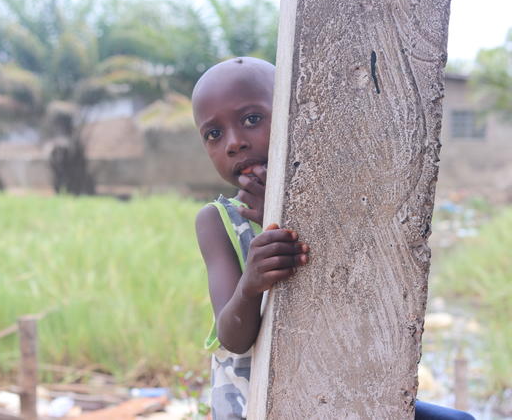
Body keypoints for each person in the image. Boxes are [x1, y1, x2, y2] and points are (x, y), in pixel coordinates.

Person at [192, 57, 474, 420]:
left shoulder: (328, 200)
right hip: (255, 404)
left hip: (335, 384)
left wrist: (286, 214)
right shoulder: (220, 222)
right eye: (213, 134)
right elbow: (233, 338)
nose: (234, 143)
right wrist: (250, 286)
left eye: (251, 119)